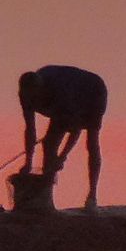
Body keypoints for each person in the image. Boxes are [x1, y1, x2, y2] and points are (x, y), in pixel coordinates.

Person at [18, 65, 108, 212]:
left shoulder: (61, 94)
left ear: (41, 90)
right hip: (62, 107)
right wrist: (28, 163)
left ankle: (92, 196)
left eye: (36, 96)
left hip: (92, 92)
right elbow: (30, 129)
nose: (33, 101)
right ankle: (46, 198)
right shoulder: (25, 96)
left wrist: (62, 157)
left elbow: (75, 130)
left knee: (91, 142)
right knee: (48, 144)